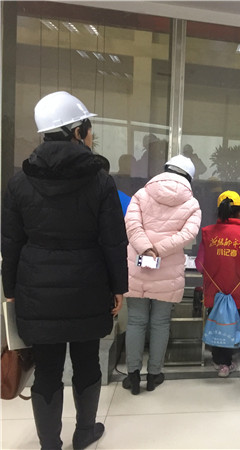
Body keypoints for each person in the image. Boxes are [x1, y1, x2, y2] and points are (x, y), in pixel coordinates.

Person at [1, 91, 128, 449]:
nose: (91, 135)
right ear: (76, 131)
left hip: (36, 291)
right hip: (89, 288)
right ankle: (84, 433)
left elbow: (10, 242)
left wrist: (10, 291)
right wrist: (118, 287)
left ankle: (50, 444)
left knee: (47, 369)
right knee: (87, 362)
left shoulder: (19, 182)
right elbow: (113, 241)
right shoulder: (101, 181)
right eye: (88, 128)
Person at [123, 154, 201, 394]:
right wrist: (159, 250)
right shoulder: (192, 204)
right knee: (160, 323)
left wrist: (146, 248)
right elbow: (188, 235)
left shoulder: (141, 194)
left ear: (166, 169)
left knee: (135, 322)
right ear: (189, 177)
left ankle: (133, 376)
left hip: (138, 266)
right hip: (168, 269)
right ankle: (154, 375)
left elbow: (131, 225)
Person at [196, 190, 240, 377]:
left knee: (216, 323)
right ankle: (227, 362)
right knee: (232, 324)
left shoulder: (208, 233)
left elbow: (199, 264)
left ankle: (218, 360)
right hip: (237, 292)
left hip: (213, 292)